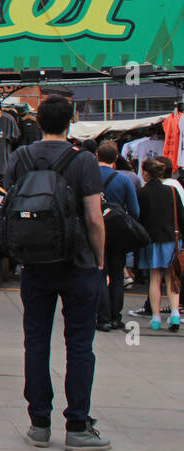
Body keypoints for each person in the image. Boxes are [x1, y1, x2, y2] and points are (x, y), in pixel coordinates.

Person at [5, 95, 110, 451]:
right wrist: (99, 261)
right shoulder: (84, 161)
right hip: (78, 263)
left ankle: (39, 423)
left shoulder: (19, 158)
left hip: (34, 264)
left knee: (36, 342)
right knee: (79, 344)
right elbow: (95, 217)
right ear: (71, 121)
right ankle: (78, 426)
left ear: (37, 119)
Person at [135, 156, 184, 332]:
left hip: (152, 240)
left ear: (146, 174)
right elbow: (181, 216)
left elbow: (138, 217)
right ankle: (175, 314)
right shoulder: (171, 191)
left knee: (155, 278)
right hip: (172, 239)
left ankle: (155, 318)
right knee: (172, 278)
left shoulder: (142, 193)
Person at [96, 140, 140, 331]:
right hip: (118, 233)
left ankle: (103, 317)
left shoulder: (90, 176)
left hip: (96, 229)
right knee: (117, 276)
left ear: (97, 156)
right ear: (116, 159)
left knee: (99, 274)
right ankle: (116, 317)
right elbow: (135, 210)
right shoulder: (124, 181)